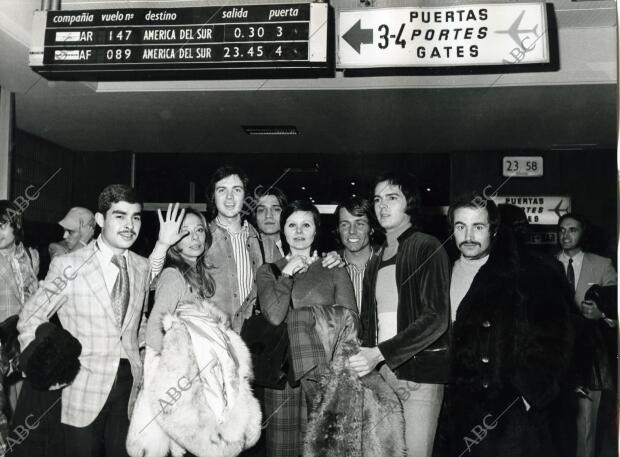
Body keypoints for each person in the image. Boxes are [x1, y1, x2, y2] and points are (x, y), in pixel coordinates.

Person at [17, 185, 151, 457]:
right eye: (120, 216)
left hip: (129, 389)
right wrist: (41, 366)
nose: (130, 225)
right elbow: (31, 316)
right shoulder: (69, 265)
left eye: (135, 217)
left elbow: (139, 321)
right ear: (100, 220)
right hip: (82, 385)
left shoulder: (141, 265)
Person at [433, 192, 571, 457]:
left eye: (478, 226)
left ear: (493, 231)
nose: (469, 235)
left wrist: (529, 394)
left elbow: (554, 337)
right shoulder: (442, 272)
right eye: (461, 227)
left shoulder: (525, 274)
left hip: (507, 413)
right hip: (455, 410)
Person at [351, 172, 450, 457]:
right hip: (381, 372)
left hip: (419, 374)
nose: (383, 205)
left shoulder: (427, 246)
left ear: (410, 204)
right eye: (378, 199)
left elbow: (436, 318)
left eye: (392, 198)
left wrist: (380, 353)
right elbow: (371, 323)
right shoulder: (376, 258)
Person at [256, 199, 357, 457]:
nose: (299, 232)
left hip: (324, 373)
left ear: (315, 230)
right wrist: (287, 275)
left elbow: (353, 324)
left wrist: (303, 319)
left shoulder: (332, 268)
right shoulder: (269, 271)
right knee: (281, 451)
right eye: (292, 225)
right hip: (281, 378)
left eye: (306, 225)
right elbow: (276, 317)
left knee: (324, 450)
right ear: (283, 229)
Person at [557, 213, 617, 457]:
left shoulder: (602, 265)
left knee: (586, 426)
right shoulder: (546, 265)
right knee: (555, 425)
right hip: (556, 358)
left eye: (572, 229)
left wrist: (601, 315)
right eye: (561, 230)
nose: (566, 235)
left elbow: (617, 310)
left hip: (589, 359)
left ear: (584, 233)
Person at [0, 200, 39, 414]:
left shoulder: (30, 256)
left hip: (24, 336)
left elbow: (33, 296)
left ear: (15, 224)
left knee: (24, 402)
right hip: (1, 339)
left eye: (2, 226)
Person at [335, 196, 380, 312]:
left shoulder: (387, 266)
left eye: (359, 224)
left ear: (371, 229)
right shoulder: (329, 269)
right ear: (338, 229)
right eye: (345, 224)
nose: (352, 231)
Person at [253, 186, 287, 263]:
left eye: (276, 209)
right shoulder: (245, 251)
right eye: (261, 210)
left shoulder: (296, 248)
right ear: (255, 216)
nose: (268, 215)